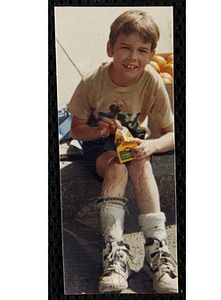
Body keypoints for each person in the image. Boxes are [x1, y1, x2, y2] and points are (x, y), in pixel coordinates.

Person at [67, 9, 178, 294]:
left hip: (132, 142)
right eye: (125, 48)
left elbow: (172, 135)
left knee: (141, 163)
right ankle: (115, 251)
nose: (133, 57)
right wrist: (97, 131)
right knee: (118, 166)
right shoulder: (93, 81)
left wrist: (150, 145)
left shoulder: (152, 80)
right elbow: (76, 128)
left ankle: (157, 248)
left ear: (152, 53)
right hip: (99, 147)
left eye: (142, 50)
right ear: (110, 48)